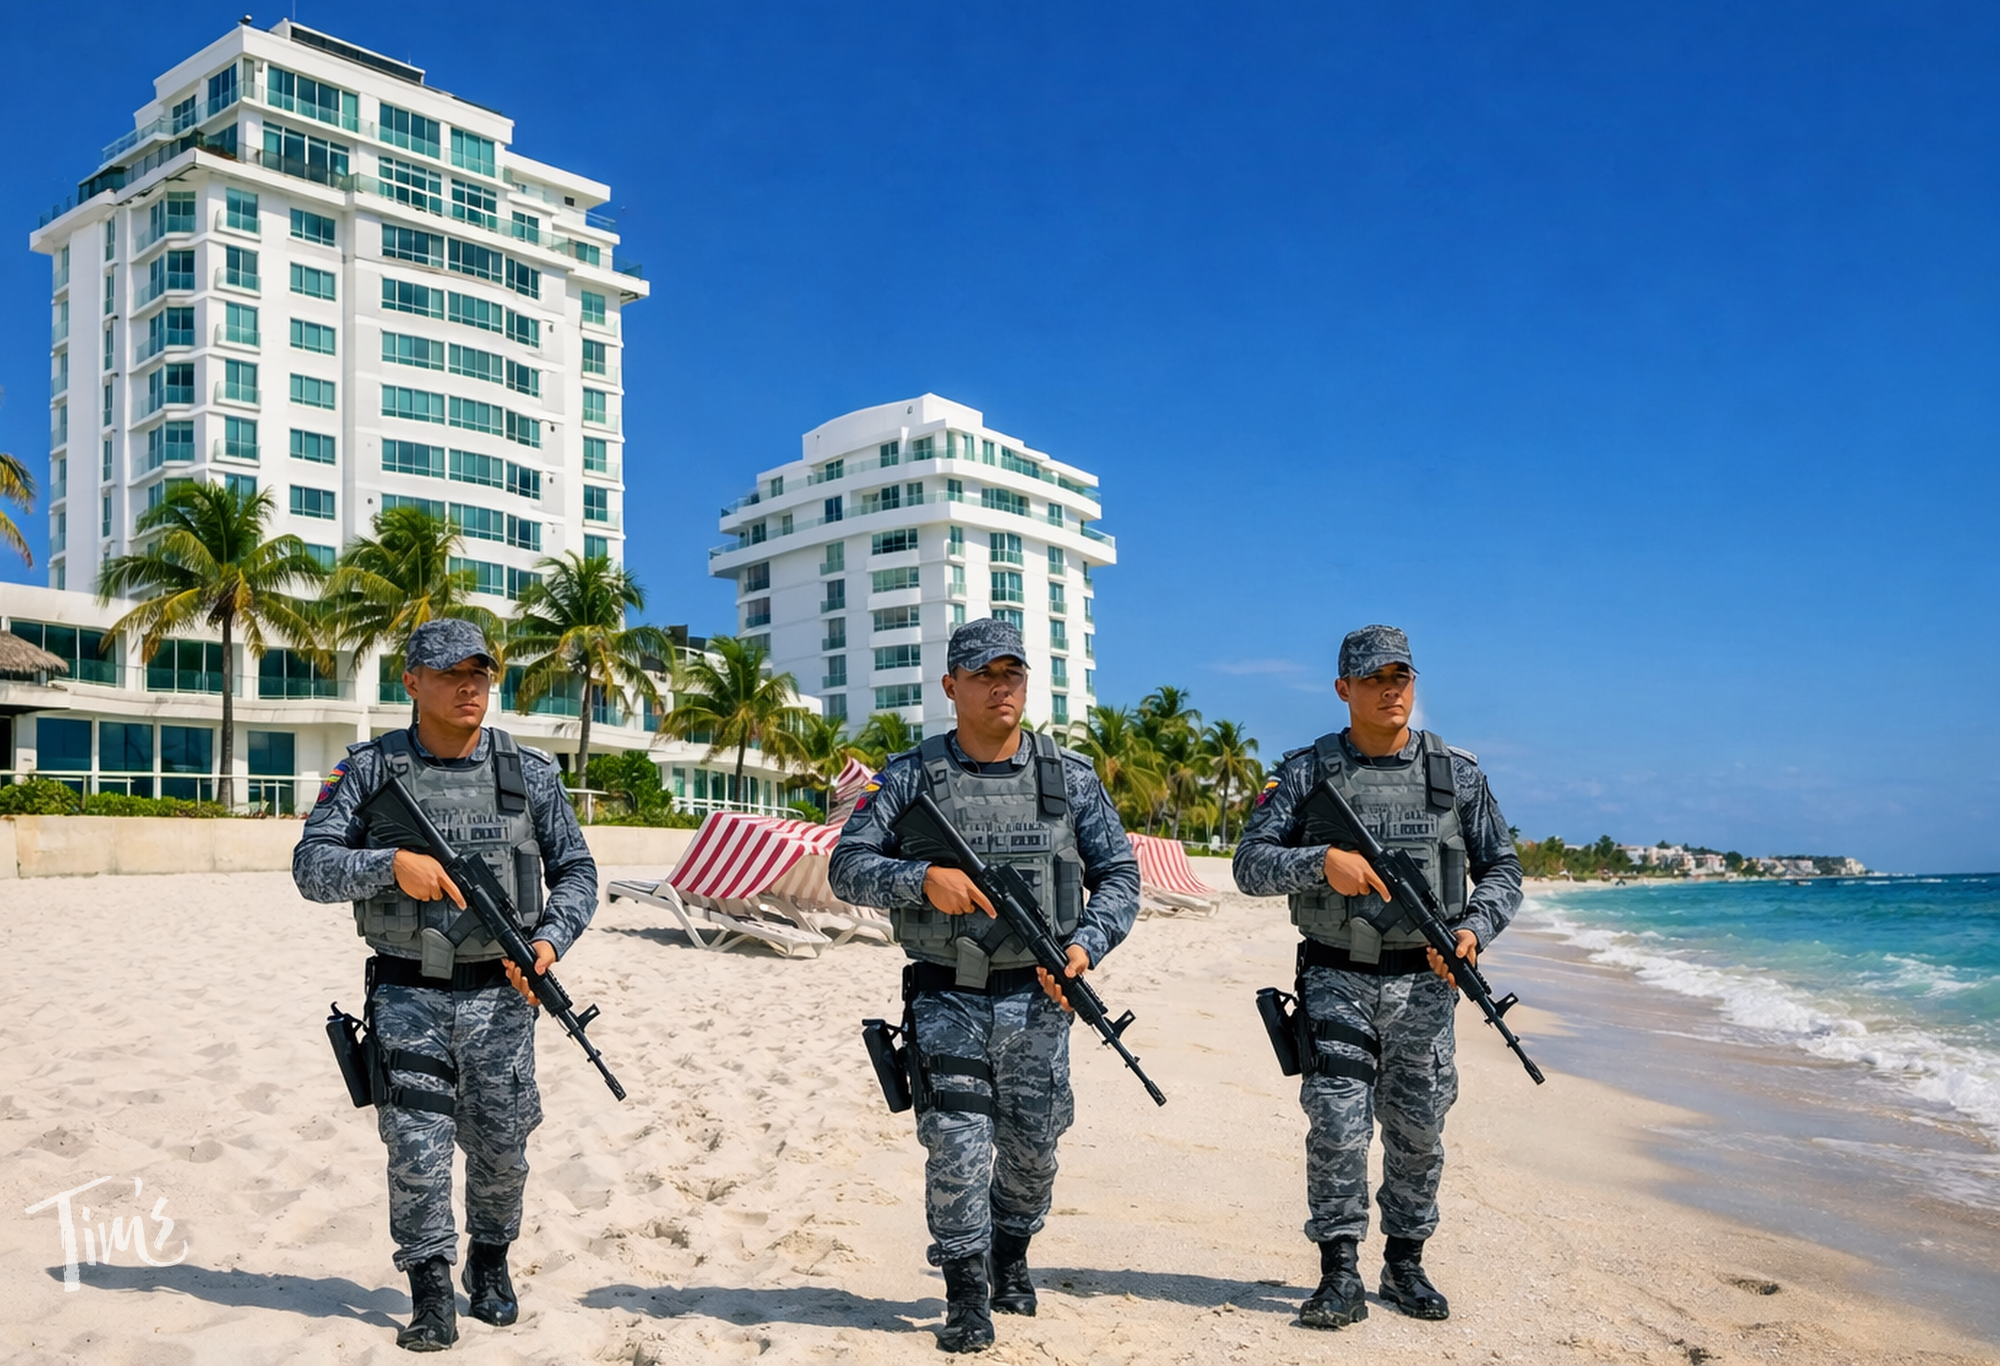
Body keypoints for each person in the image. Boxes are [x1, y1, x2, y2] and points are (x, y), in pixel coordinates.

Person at [830, 618, 1141, 1354]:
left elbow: (1121, 878)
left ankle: (1011, 1248)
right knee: (956, 1140)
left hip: (1040, 998)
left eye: (1013, 673)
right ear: (951, 687)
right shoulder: (907, 776)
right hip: (947, 994)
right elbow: (846, 867)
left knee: (1034, 1145)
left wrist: (1084, 946)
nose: (1002, 686)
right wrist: (919, 879)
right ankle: (966, 1288)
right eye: (984, 674)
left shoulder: (1070, 779)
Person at [293, 619, 599, 1352]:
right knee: (416, 1146)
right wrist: (387, 865)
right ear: (413, 682)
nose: (470, 686)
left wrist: (549, 944)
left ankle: (488, 1261)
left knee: (502, 1148)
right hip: (409, 994)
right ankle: (429, 1287)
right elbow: (311, 867)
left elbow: (579, 874)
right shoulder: (369, 772)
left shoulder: (530, 774)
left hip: (502, 996)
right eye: (452, 672)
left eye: (481, 674)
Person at [1233, 625, 1521, 1330]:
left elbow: (1504, 871)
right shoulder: (1306, 773)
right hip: (1338, 974)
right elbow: (1248, 864)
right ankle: (1338, 1272)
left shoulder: (1458, 774)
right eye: (1374, 679)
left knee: (1419, 1130)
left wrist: (1472, 931)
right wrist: (1318, 863)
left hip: (1427, 984)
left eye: (1402, 678)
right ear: (1344, 689)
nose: (1391, 690)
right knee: (1336, 1124)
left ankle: (1405, 1262)